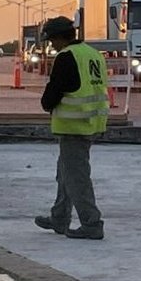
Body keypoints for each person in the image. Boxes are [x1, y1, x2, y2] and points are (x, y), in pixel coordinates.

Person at [33, 16, 109, 240]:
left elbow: (54, 91)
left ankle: (91, 223)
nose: (51, 45)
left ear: (60, 38)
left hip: (74, 125)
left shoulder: (67, 56)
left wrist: (46, 103)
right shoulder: (92, 54)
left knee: (76, 177)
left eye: (52, 40)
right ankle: (59, 217)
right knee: (65, 173)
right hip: (91, 122)